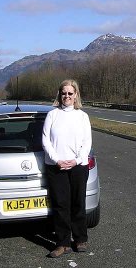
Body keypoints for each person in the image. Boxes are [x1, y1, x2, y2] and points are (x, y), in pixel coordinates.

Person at [42, 79, 92, 257]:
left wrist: (76, 161)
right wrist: (57, 160)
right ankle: (63, 243)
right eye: (64, 93)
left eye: (70, 93)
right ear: (59, 94)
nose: (67, 96)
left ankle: (80, 239)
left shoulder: (83, 116)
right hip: (56, 166)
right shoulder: (52, 115)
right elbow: (45, 140)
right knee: (61, 205)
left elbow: (87, 143)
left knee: (78, 203)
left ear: (76, 95)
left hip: (78, 166)